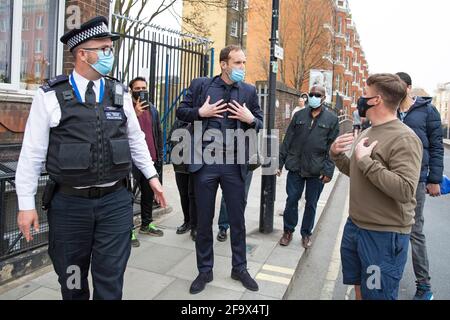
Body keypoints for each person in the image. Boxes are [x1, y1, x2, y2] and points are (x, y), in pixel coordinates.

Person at [15, 16, 167, 300]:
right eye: (105, 48)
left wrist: (153, 177)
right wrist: (25, 204)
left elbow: (136, 140)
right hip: (69, 207)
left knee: (110, 281)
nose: (110, 54)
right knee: (72, 281)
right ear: (83, 54)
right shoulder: (49, 95)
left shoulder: (119, 93)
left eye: (111, 48)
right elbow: (32, 153)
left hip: (115, 204)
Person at [176, 45, 263, 294]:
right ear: (224, 64)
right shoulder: (201, 85)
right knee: (203, 220)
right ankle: (205, 270)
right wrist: (200, 113)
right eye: (237, 63)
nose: (242, 68)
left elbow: (259, 122)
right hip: (205, 162)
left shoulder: (248, 91)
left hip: (235, 165)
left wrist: (250, 119)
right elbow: (182, 112)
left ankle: (240, 268)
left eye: (244, 63)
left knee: (237, 219)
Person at [330, 73, 423, 300]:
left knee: (377, 296)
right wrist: (336, 155)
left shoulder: (405, 138)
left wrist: (365, 161)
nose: (361, 99)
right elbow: (358, 172)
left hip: (382, 235)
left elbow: (404, 189)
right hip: (356, 227)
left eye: (365, 95)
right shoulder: (368, 131)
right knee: (360, 288)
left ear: (377, 100)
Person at [396, 72, 444, 300]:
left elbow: (436, 147)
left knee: (415, 231)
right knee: (391, 228)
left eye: (398, 86)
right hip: (391, 179)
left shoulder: (427, 111)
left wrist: (434, 179)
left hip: (417, 180)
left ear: (408, 88)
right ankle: (389, 278)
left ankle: (424, 286)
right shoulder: (391, 111)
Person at [278, 85, 339, 249]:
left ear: (323, 98)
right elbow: (287, 140)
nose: (313, 97)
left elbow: (332, 148)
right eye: (311, 94)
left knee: (311, 203)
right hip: (296, 166)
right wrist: (280, 163)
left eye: (317, 95)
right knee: (291, 200)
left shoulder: (332, 120)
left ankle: (306, 234)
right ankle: (288, 231)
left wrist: (328, 170)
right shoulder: (298, 116)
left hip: (316, 169)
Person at [129, 77, 164, 248]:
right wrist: (134, 113)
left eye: (143, 88)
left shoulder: (153, 110)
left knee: (148, 195)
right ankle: (128, 230)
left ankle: (146, 223)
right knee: (129, 197)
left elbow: (157, 132)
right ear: (131, 91)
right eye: (137, 88)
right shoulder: (127, 109)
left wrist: (158, 156)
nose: (141, 91)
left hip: (151, 159)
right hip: (132, 162)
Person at [169, 118, 198, 241]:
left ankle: (195, 226)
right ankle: (187, 221)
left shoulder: (200, 120)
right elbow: (171, 138)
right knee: (183, 195)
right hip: (180, 165)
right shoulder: (178, 121)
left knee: (195, 196)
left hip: (195, 165)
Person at [217, 171, 253, 242]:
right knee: (227, 195)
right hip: (230, 164)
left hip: (246, 165)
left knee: (243, 196)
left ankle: (237, 226)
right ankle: (223, 226)